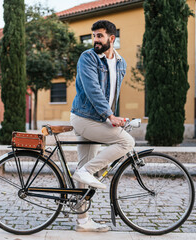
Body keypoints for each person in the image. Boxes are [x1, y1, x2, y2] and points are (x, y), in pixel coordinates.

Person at [70, 20, 135, 232]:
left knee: (85, 167)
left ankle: (82, 221)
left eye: (99, 36)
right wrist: (109, 115)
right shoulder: (87, 58)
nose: (95, 40)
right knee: (127, 142)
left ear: (111, 39)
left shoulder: (121, 63)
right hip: (84, 117)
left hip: (100, 119)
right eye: (94, 36)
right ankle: (88, 171)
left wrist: (114, 117)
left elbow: (112, 94)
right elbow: (93, 90)